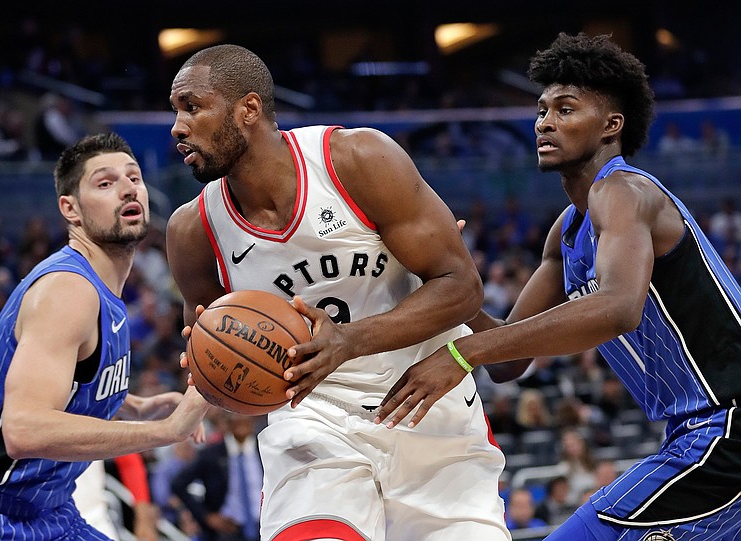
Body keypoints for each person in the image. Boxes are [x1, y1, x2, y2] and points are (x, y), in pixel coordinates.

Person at [375, 32, 741, 540]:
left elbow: (617, 308)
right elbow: (508, 361)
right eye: (542, 110)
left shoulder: (625, 191)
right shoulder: (566, 231)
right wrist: (441, 269)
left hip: (725, 430)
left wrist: (462, 354)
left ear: (611, 126)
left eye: (566, 110)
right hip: (695, 434)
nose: (545, 122)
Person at [165, 44, 509, 540]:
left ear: (248, 109)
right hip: (313, 430)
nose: (177, 127)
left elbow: (462, 288)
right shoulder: (193, 231)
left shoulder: (356, 159)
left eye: (191, 106)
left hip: (429, 416)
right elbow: (217, 353)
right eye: (175, 111)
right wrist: (211, 372)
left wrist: (347, 341)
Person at [0, 133, 210, 541]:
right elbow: (24, 430)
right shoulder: (68, 290)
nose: (127, 188)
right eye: (105, 183)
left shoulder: (105, 293)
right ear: (71, 209)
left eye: (133, 177)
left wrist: (137, 406)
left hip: (50, 510)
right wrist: (166, 430)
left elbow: (69, 386)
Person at [171, 412, 263, 541]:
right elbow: (178, 484)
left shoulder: (265, 450)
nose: (241, 419)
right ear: (226, 422)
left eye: (244, 414)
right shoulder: (211, 454)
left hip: (264, 525)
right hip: (227, 530)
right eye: (236, 415)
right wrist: (206, 516)